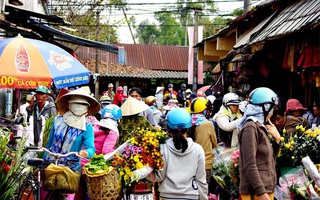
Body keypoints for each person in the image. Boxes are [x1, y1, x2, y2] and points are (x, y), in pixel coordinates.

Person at [44, 88, 100, 199]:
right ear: (69, 105)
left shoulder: (87, 126)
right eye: (76, 104)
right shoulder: (57, 120)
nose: (79, 107)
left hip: (71, 168)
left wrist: (85, 152)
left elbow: (91, 148)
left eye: (83, 105)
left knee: (67, 196)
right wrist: (45, 156)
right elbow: (49, 143)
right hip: (52, 164)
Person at [147, 108, 208, 199]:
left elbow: (159, 177)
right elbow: (201, 180)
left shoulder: (164, 148)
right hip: (191, 196)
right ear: (188, 128)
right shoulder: (198, 149)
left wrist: (145, 172)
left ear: (168, 127)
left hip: (166, 196)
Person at [237, 87, 282, 200]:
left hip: (265, 189)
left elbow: (269, 160)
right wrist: (261, 192)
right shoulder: (250, 127)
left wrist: (277, 140)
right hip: (256, 193)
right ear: (264, 108)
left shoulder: (259, 127)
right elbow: (250, 163)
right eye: (271, 108)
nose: (272, 113)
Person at [189, 97, 217, 194]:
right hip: (206, 163)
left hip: (189, 163)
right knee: (203, 191)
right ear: (204, 111)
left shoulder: (188, 122)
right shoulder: (208, 124)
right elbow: (214, 143)